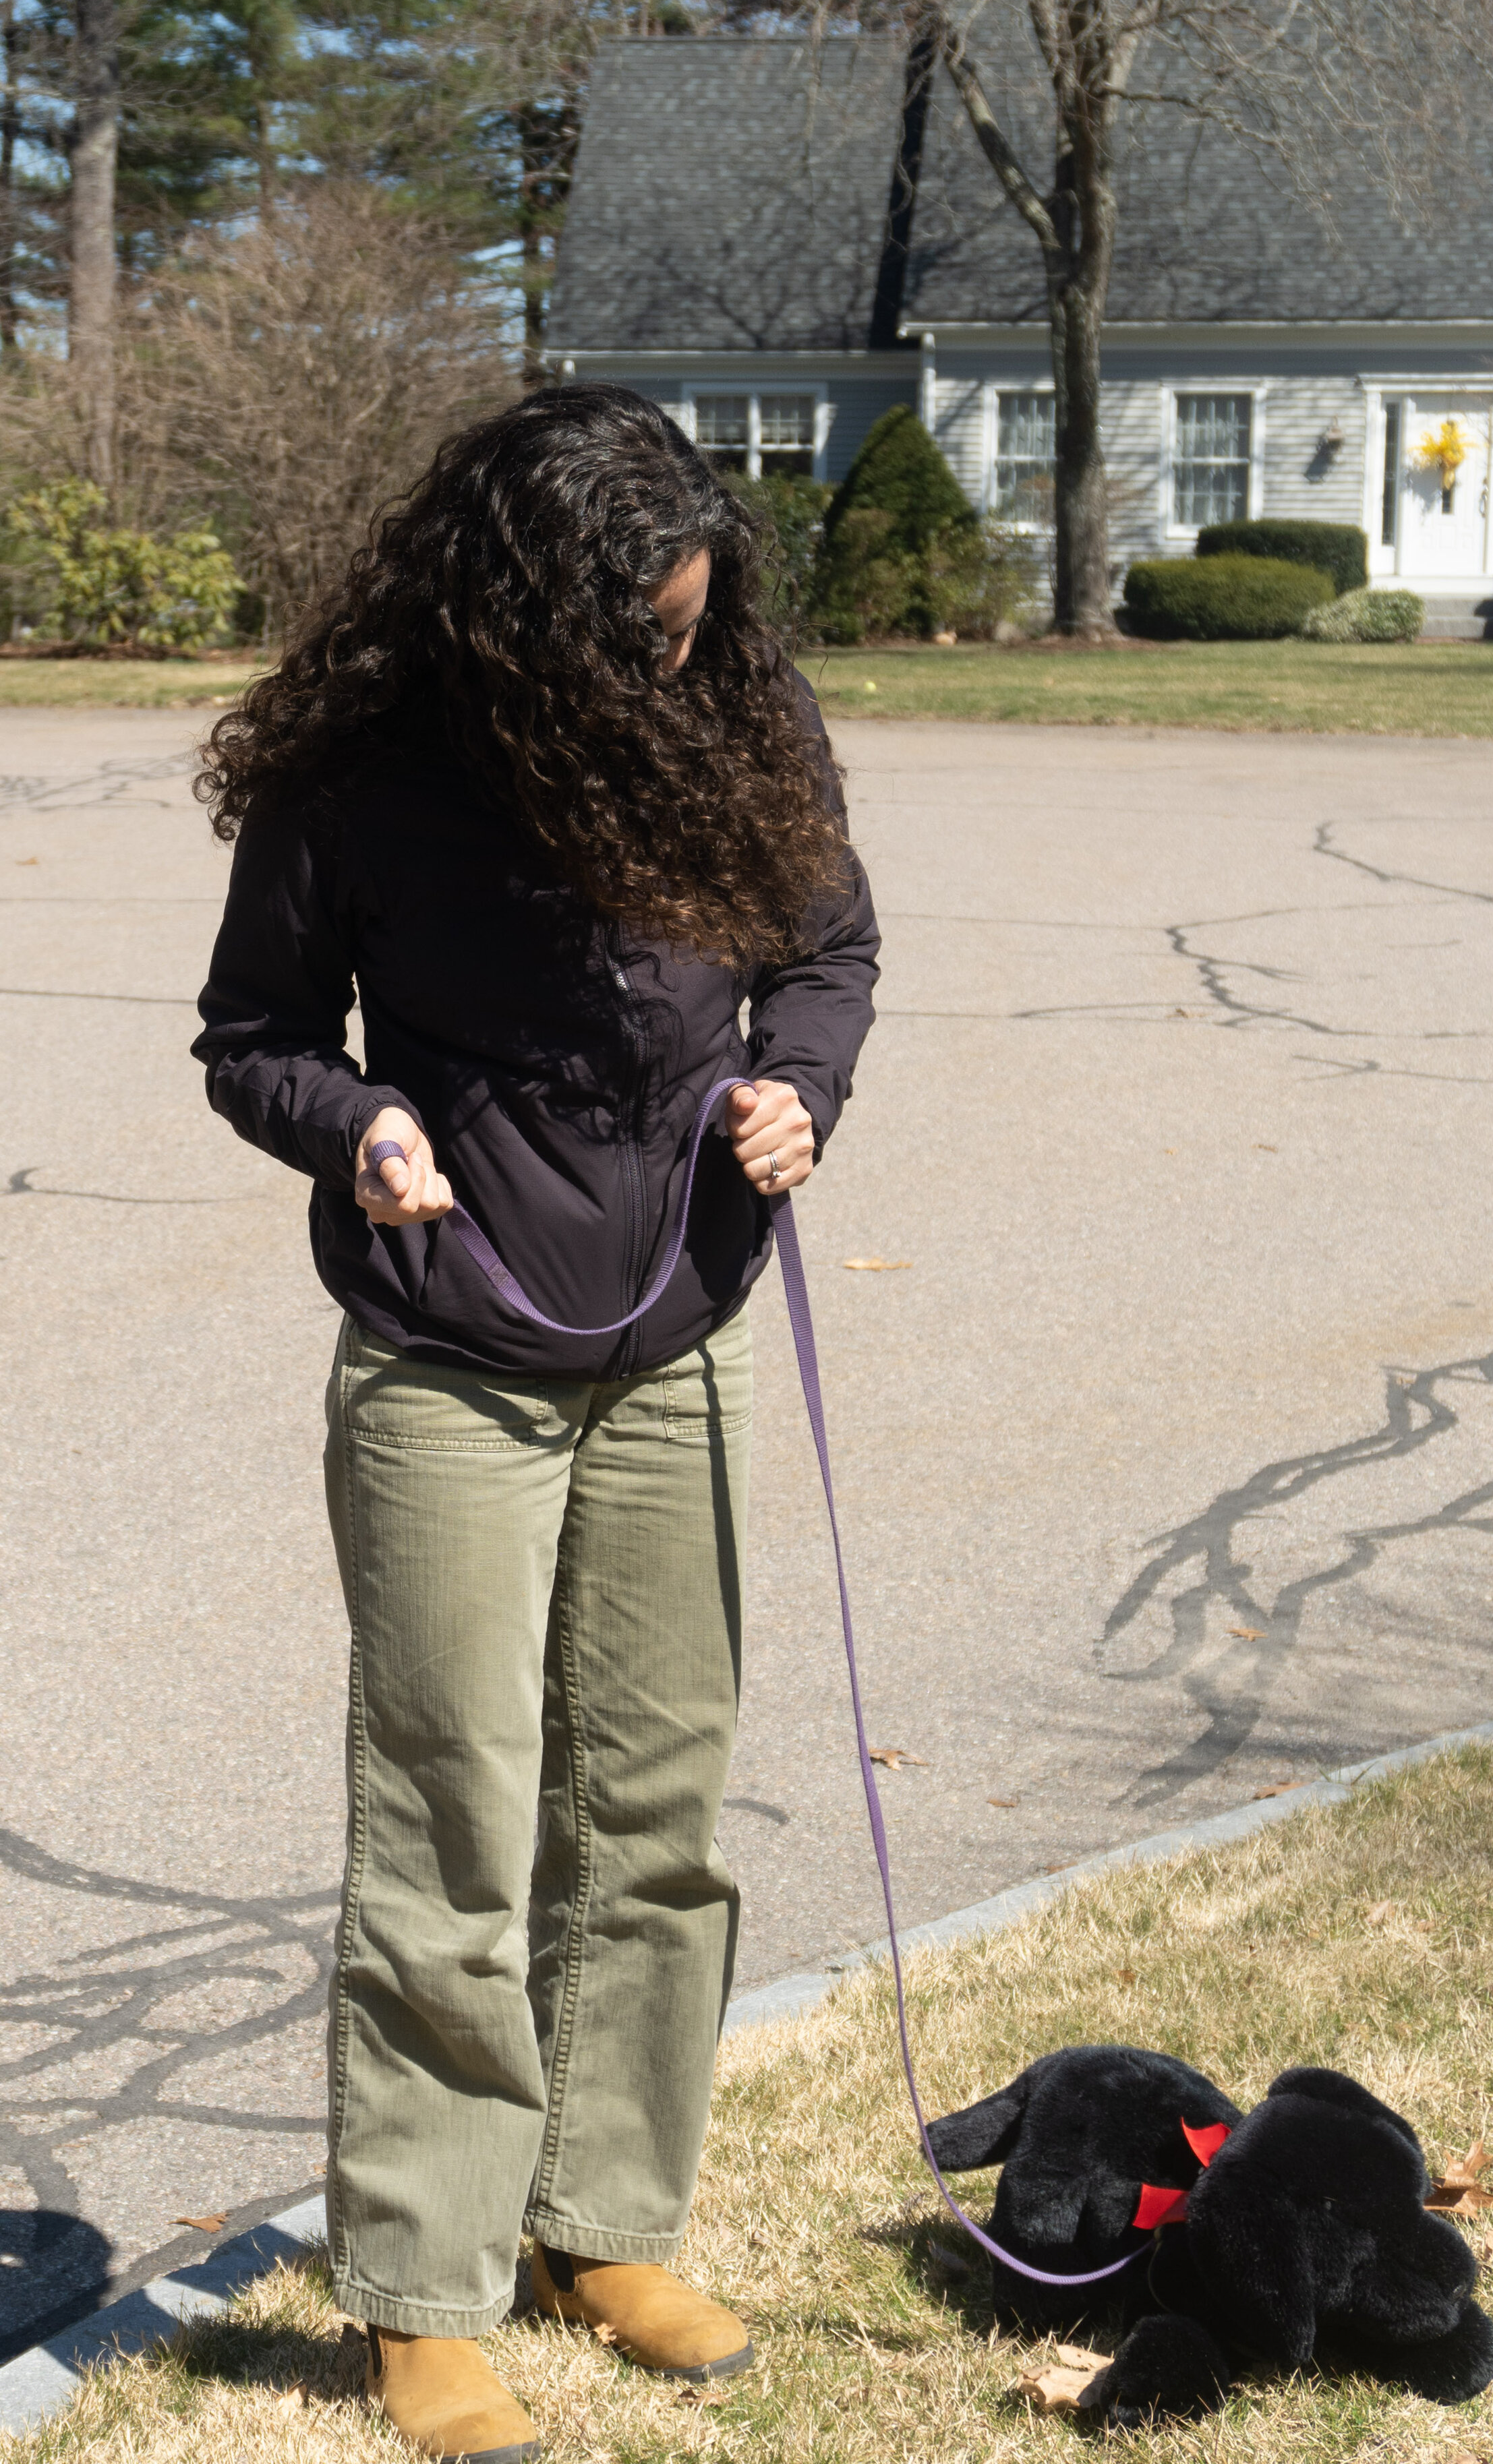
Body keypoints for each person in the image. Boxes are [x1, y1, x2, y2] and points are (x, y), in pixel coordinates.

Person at [192, 384, 879, 2463]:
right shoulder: (366, 777)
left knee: (652, 1820)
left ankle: (604, 2227)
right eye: (637, 640)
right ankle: (420, 2283)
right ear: (515, 619)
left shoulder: (744, 722)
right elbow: (253, 1038)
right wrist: (361, 1122)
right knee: (452, 1826)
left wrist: (795, 1090)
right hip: (447, 1364)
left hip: (679, 1336)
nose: (672, 664)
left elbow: (828, 953)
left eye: (689, 629)